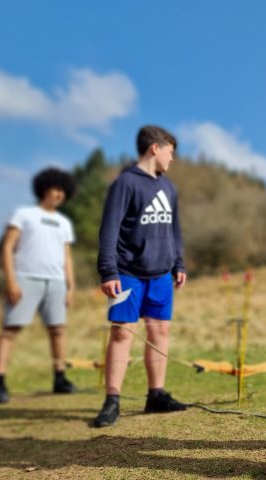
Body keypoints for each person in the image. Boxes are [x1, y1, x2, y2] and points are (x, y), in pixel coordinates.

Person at [93, 125, 188, 428]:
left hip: (161, 275)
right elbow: (109, 230)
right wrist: (108, 270)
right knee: (122, 333)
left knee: (160, 333)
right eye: (170, 152)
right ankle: (112, 400)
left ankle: (155, 395)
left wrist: (179, 264)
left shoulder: (169, 188)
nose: (172, 159)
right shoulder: (125, 183)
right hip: (128, 274)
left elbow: (174, 231)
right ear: (155, 148)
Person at [0, 168, 77, 404]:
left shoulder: (63, 223)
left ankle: (60, 378)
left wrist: (70, 286)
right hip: (25, 278)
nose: (59, 195)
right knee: (10, 329)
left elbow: (67, 256)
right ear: (43, 189)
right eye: (55, 189)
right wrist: (11, 281)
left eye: (63, 191)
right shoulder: (23, 214)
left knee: (58, 329)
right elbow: (7, 247)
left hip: (56, 281)